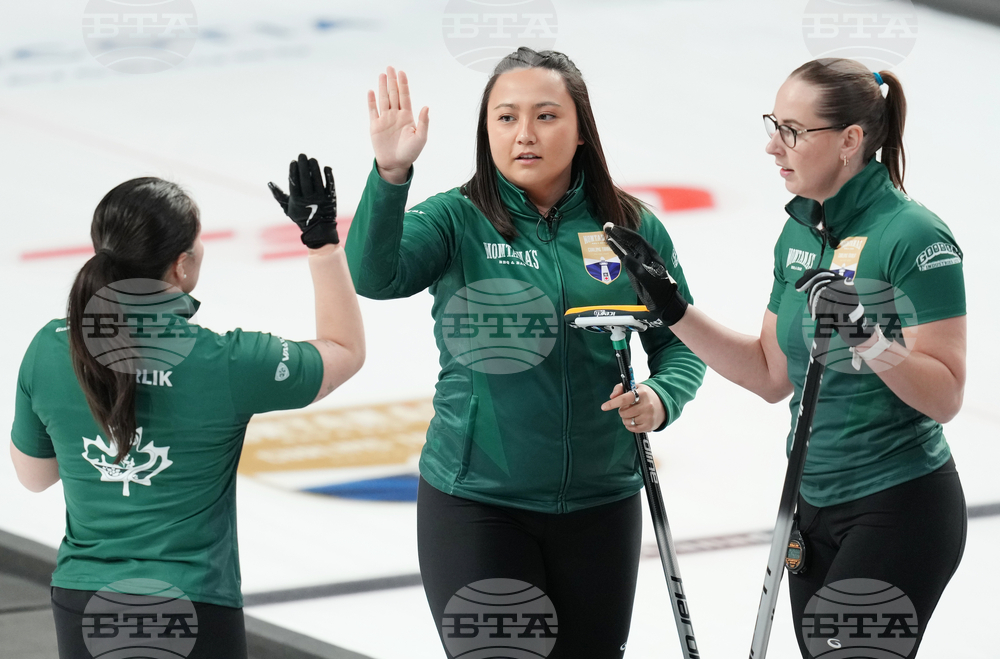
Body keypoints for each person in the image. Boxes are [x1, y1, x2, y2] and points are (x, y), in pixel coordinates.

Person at [345, 48, 706, 658]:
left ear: (581, 129)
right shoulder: (455, 219)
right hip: (477, 503)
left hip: (602, 502)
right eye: (505, 118)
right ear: (486, 131)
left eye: (546, 116)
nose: (525, 135)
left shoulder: (631, 225)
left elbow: (681, 345)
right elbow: (374, 275)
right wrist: (389, 175)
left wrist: (660, 398)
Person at [606, 57, 966, 658]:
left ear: (851, 140)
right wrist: (671, 308)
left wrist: (871, 342)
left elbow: (947, 393)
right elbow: (771, 373)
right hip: (811, 504)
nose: (773, 146)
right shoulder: (800, 234)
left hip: (898, 504)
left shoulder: (915, 238)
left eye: (793, 131)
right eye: (775, 124)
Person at [9, 155, 364, 659]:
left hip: (83, 603)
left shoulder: (50, 346)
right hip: (192, 607)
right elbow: (344, 351)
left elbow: (35, 476)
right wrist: (322, 244)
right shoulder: (226, 361)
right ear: (182, 265)